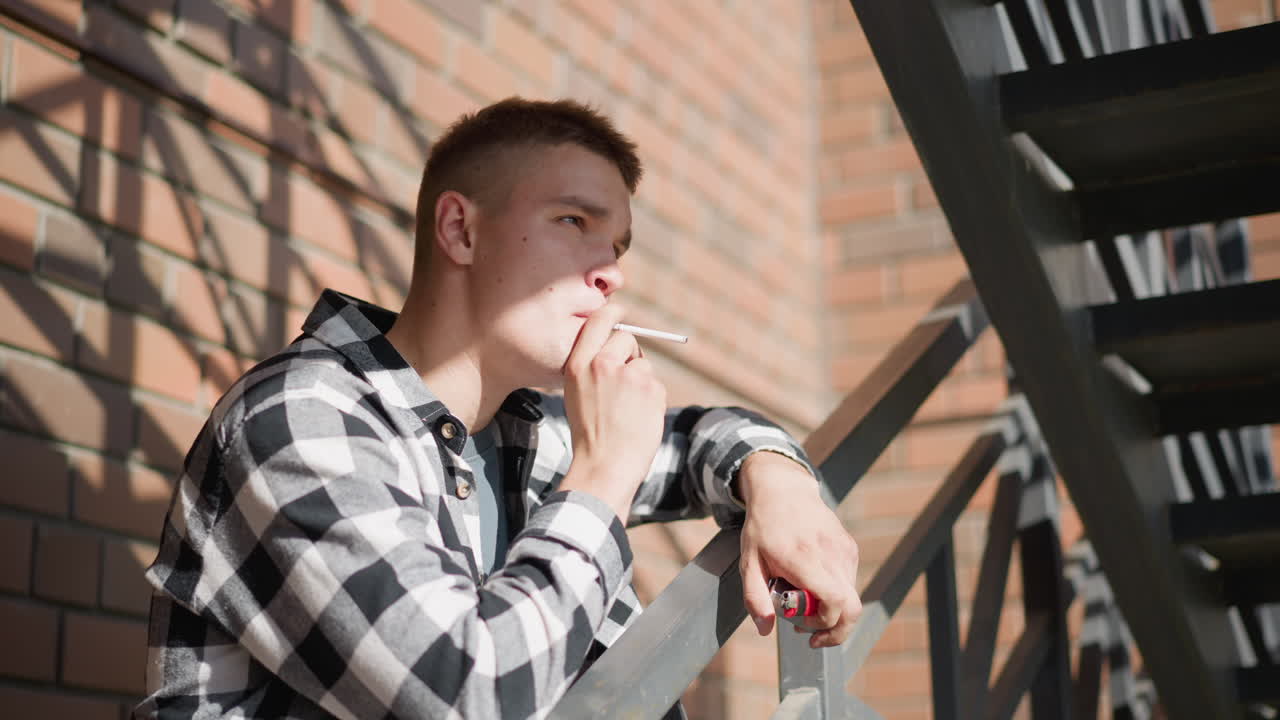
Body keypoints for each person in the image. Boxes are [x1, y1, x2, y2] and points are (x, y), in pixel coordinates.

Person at [135, 98, 861, 720]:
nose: (611, 271)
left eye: (617, 245)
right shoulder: (298, 417)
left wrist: (777, 480)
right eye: (574, 221)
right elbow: (463, 694)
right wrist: (603, 475)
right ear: (461, 231)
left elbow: (705, 439)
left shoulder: (531, 432)